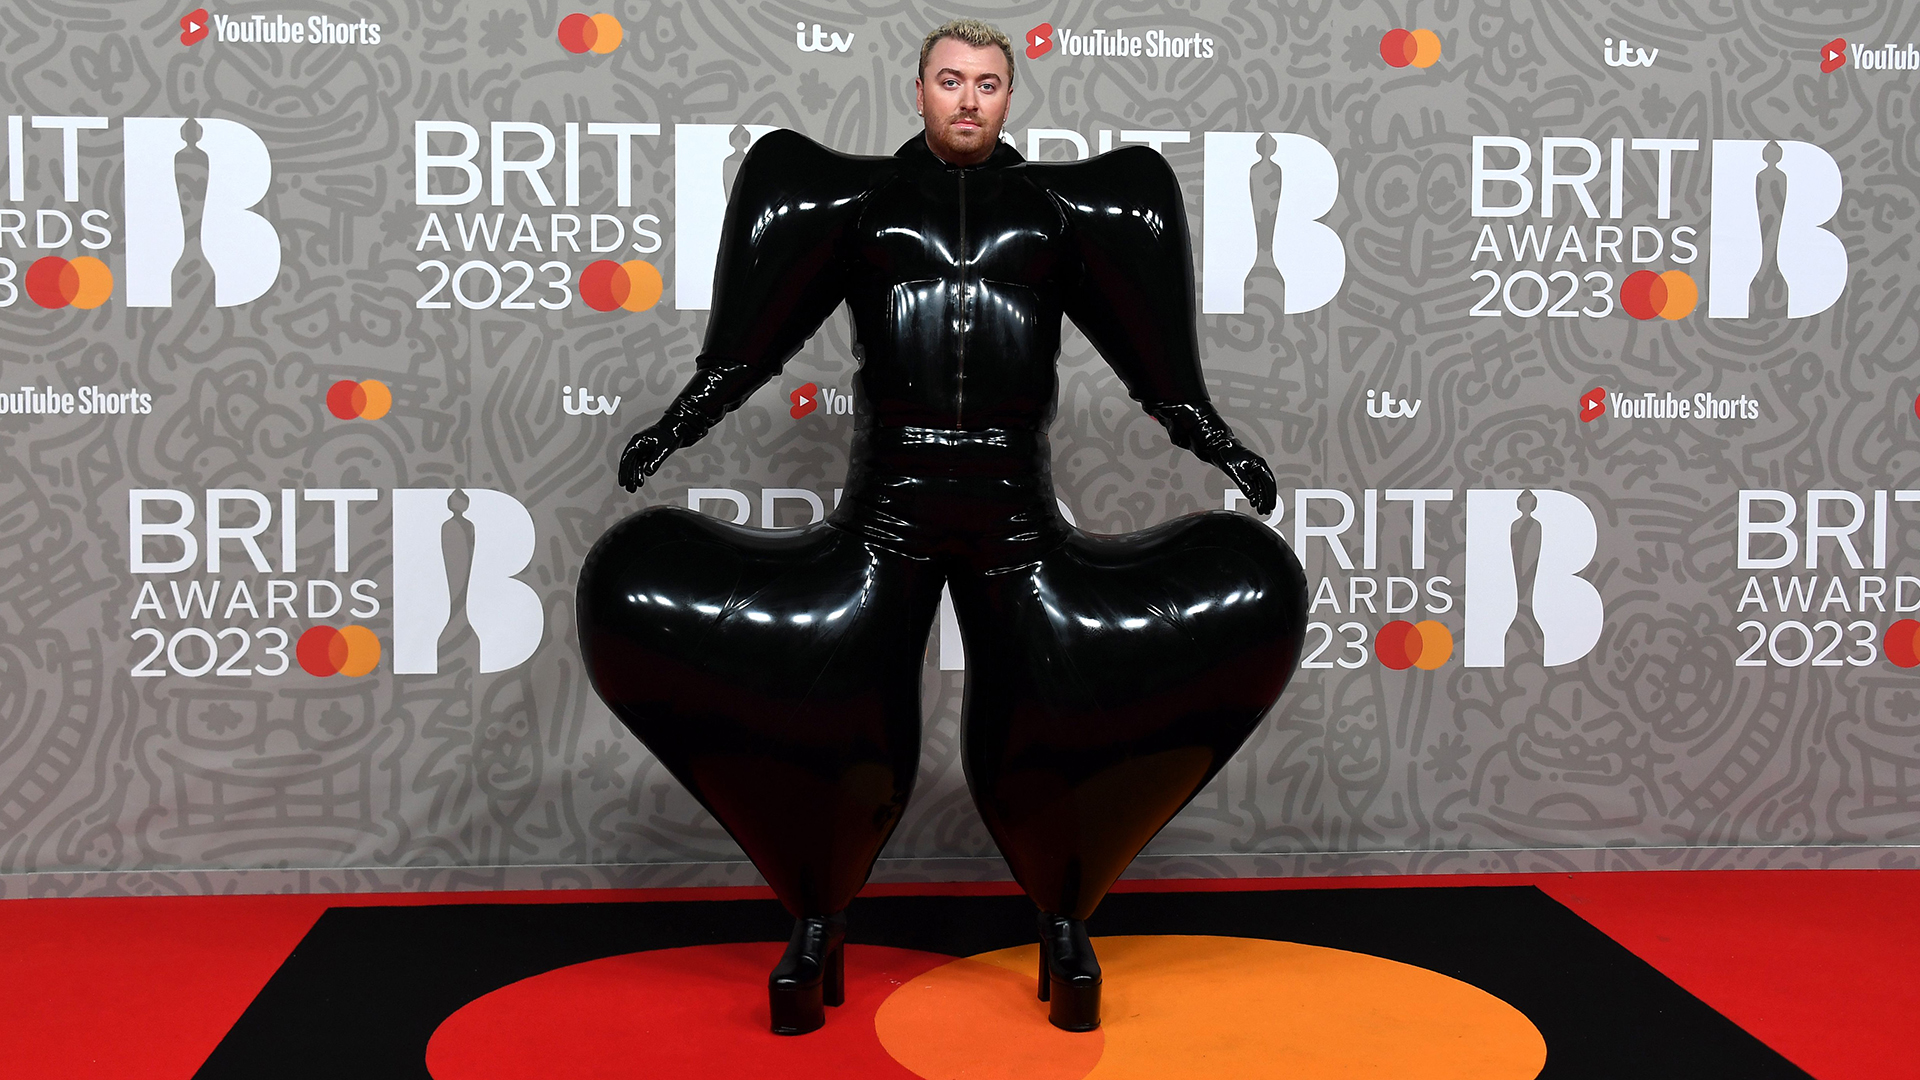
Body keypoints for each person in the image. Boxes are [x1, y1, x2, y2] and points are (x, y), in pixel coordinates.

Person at [577, 18, 1306, 1035]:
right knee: (835, 703)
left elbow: (1159, 371)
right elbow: (751, 343)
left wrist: (1221, 447)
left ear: (1013, 98)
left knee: (1060, 701)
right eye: (951, 80)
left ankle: (1064, 917)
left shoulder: (1061, 214)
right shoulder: (858, 205)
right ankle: (817, 918)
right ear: (917, 90)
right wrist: (677, 427)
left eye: (990, 84)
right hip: (888, 513)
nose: (969, 99)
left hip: (1016, 516)